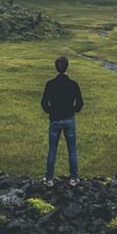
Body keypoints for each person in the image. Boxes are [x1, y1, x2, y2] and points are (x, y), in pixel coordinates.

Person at [40, 56, 84, 186]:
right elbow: (80, 103)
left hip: (54, 120)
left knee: (52, 149)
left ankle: (49, 179)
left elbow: (44, 102)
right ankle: (74, 178)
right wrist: (73, 110)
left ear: (56, 68)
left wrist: (51, 111)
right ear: (67, 67)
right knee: (72, 150)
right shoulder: (73, 84)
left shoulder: (50, 84)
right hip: (69, 119)